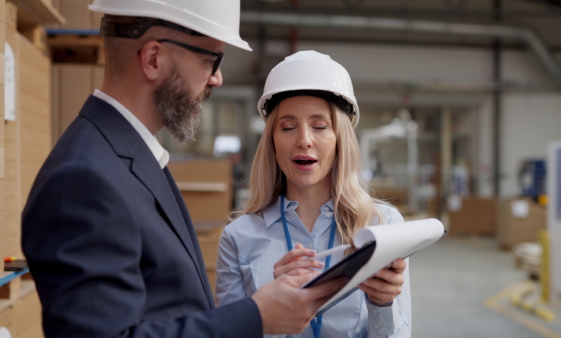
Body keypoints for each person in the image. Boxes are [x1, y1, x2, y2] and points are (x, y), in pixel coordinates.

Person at [21, 2, 344, 337]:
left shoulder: (129, 159)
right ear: (153, 59)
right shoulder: (84, 181)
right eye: (211, 60)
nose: (217, 79)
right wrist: (256, 316)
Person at [216, 50, 412, 337]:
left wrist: (382, 304)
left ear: (339, 139)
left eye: (320, 126)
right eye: (288, 127)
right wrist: (268, 311)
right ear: (271, 141)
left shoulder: (383, 226)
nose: (304, 140)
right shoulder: (238, 238)